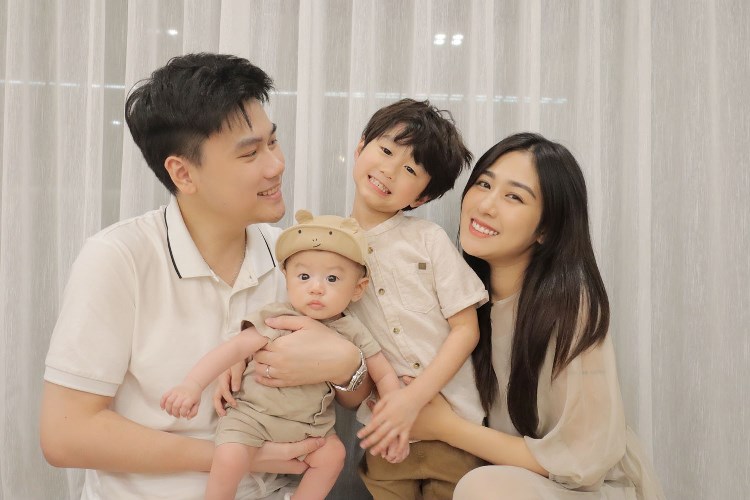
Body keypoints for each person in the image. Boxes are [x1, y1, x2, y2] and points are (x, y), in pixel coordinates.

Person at [40, 53, 366, 500]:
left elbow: (353, 395)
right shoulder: (119, 257)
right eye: (250, 153)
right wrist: (239, 455)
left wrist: (348, 365)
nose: (275, 164)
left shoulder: (296, 260)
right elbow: (65, 436)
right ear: (183, 173)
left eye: (273, 142)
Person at [405, 132, 666, 499]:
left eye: (514, 196)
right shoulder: (461, 303)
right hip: (515, 480)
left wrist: (445, 427)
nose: (486, 205)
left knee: (482, 488)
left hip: (588, 489)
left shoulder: (570, 306)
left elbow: (581, 461)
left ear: (545, 228)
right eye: (484, 184)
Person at [161, 210, 407, 500]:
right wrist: (192, 384)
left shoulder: (353, 331)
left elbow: (383, 373)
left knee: (333, 456)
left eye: (332, 278)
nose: (316, 288)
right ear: (286, 278)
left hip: (311, 426)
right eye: (304, 276)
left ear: (358, 289)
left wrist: (393, 422)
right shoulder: (278, 317)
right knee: (229, 456)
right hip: (253, 418)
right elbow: (234, 349)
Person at [342, 99, 489, 499]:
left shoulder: (428, 239)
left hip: (455, 428)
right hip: (385, 433)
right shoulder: (332, 248)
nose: (390, 170)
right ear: (360, 147)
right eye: (386, 150)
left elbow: (466, 329)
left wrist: (414, 398)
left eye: (410, 170)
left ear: (421, 198)